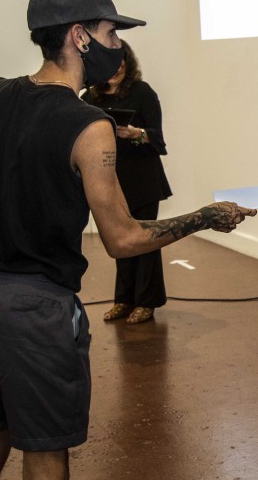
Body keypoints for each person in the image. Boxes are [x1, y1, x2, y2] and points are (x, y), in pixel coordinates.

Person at [0, 0, 256, 480]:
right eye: (111, 34)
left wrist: (6, 231)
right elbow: (123, 239)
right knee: (44, 447)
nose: (118, 45)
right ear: (79, 37)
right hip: (35, 308)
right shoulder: (88, 124)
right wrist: (205, 218)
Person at [83, 40, 172, 324]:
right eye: (111, 65)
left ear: (127, 64)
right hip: (110, 181)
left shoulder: (142, 92)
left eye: (121, 65)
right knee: (119, 240)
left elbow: (158, 138)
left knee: (146, 241)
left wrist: (137, 134)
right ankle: (123, 299)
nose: (116, 70)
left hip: (143, 180)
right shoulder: (89, 99)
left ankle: (147, 302)